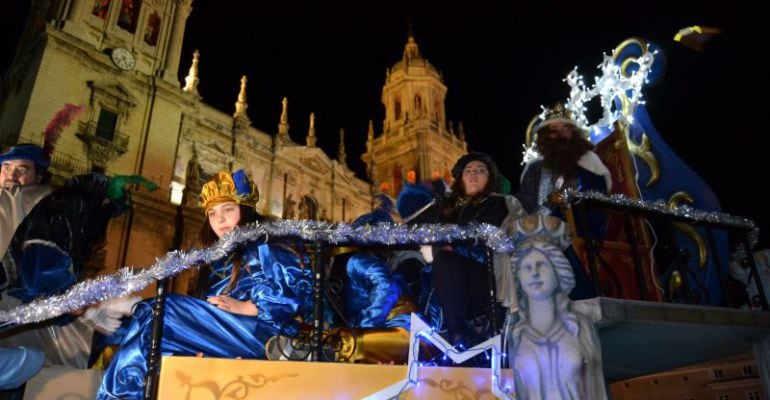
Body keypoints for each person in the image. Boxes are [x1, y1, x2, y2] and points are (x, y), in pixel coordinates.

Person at [97, 170, 312, 400]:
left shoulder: (267, 241)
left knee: (161, 310)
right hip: (225, 329)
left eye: (228, 209)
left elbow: (296, 287)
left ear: (246, 209)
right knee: (138, 319)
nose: (220, 219)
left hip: (263, 333)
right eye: (212, 213)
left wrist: (248, 306)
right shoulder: (217, 258)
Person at [0, 143, 140, 392]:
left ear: (39, 177)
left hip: (30, 321)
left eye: (22, 169)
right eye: (6, 167)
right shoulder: (47, 207)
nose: (11, 175)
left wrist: (79, 304)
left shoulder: (40, 203)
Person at [516, 103, 612, 299]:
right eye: (554, 130)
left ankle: (582, 296)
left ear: (573, 133)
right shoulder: (534, 169)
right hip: (538, 226)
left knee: (552, 230)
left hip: (581, 219)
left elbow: (596, 194)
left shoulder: (588, 161)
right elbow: (523, 203)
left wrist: (567, 199)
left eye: (565, 128)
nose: (560, 133)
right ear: (546, 137)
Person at [431, 152, 524, 347]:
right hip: (448, 275)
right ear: (461, 179)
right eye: (468, 171)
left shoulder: (500, 203)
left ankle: (458, 336)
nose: (473, 174)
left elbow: (503, 238)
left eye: (480, 171)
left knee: (446, 261)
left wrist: (454, 248)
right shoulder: (447, 209)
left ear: (489, 179)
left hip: (487, 274)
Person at [509, 240, 607, 400]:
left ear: (558, 272)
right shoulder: (516, 335)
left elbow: (597, 389)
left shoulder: (580, 326)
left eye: (542, 265)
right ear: (518, 278)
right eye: (526, 267)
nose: (534, 273)